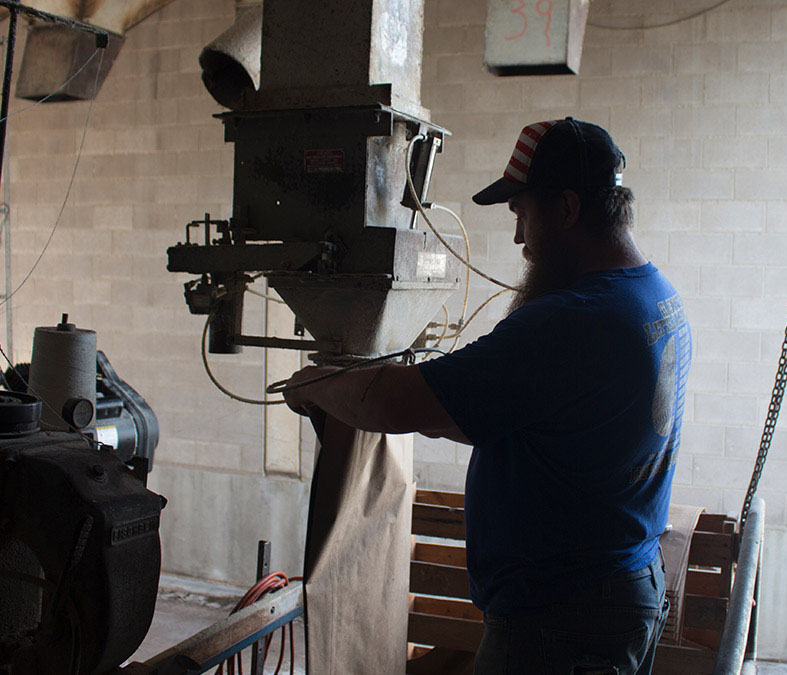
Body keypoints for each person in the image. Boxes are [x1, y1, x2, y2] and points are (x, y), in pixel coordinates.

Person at [282, 118, 691, 674]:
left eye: (523, 215)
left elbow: (398, 405)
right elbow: (484, 414)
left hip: (561, 621)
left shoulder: (574, 321)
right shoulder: (654, 298)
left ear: (567, 210)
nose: (521, 240)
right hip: (617, 588)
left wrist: (312, 384)